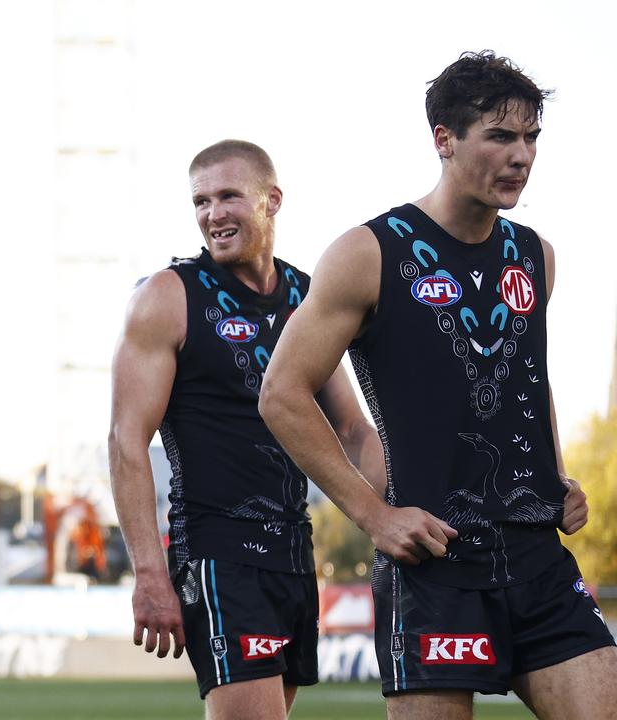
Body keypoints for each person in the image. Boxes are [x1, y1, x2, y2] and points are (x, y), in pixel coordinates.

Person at [259, 51, 612, 718]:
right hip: (435, 563)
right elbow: (281, 392)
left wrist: (556, 476)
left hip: (538, 558)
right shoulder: (370, 253)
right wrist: (374, 515)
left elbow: (525, 376)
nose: (522, 156)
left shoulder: (536, 255)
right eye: (500, 136)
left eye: (531, 137)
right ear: (444, 141)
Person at [108, 140, 385, 718]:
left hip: (292, 550)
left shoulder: (307, 296)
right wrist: (150, 575)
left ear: (272, 200)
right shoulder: (167, 295)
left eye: (229, 195)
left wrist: (398, 510)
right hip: (217, 551)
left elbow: (354, 428)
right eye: (201, 201)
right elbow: (126, 440)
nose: (214, 214)